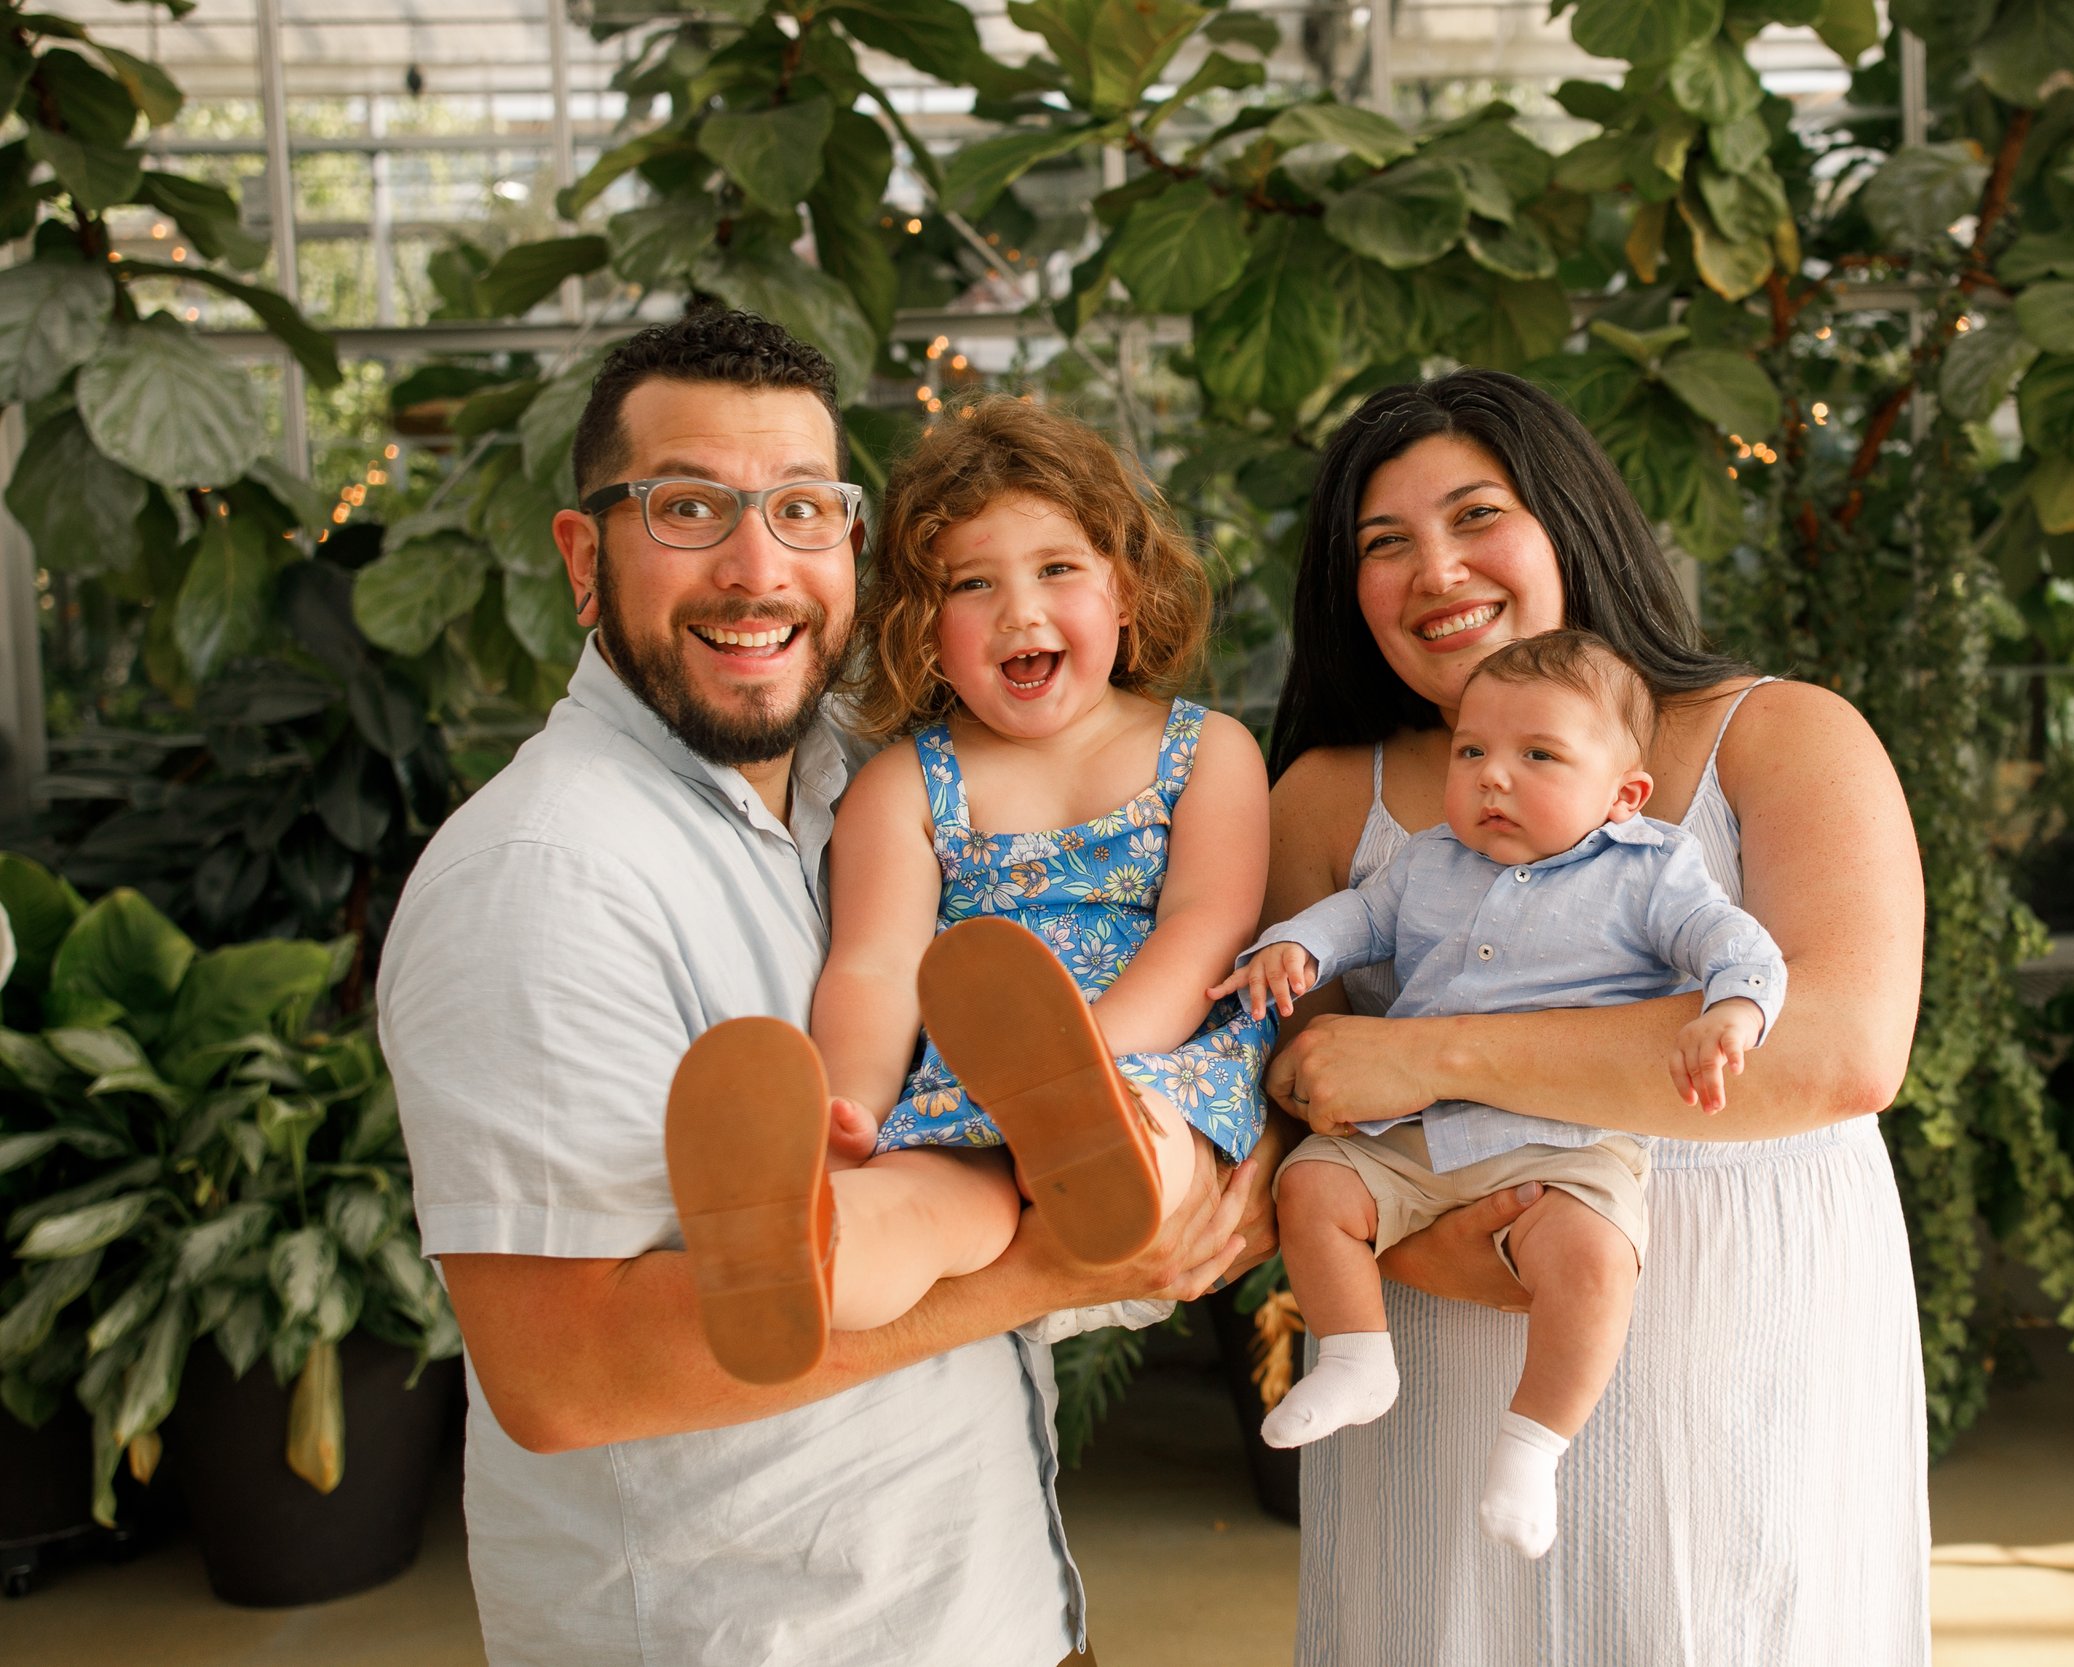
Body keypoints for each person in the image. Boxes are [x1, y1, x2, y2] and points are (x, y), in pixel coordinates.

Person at [377, 309, 1253, 1667]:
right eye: (686, 508)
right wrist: (1051, 1260)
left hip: (985, 1609)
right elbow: (561, 1375)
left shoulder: (866, 780)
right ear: (583, 556)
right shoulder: (543, 873)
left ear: (851, 548)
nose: (754, 566)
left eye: (799, 508)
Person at [1262, 370, 1931, 1664]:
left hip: (1747, 1344)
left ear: (1568, 521)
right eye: (1382, 543)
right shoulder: (1327, 797)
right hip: (1446, 1352)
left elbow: (1839, 1051)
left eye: (1475, 515)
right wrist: (1436, 1252)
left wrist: (1431, 1053)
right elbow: (1296, 1093)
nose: (1434, 568)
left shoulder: (1779, 735)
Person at [662, 395, 1273, 1385]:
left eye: (1057, 569)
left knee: (1157, 1150)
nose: (1019, 610)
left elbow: (1205, 927)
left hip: (1148, 1062)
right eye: (971, 585)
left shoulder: (1204, 751)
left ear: (1124, 589)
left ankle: (1100, 1156)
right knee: (920, 1204)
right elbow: (875, 963)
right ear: (924, 627)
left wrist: (1096, 1055)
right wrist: (850, 1112)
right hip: (972, 1085)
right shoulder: (908, 782)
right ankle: (799, 1253)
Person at [1217, 629, 1785, 1560]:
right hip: (1416, 1132)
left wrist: (1733, 1015)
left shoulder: (1649, 871)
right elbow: (1360, 916)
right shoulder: (1430, 860)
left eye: (1538, 756)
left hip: (1560, 1144)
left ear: (1623, 794)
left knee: (1597, 1257)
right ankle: (1358, 1356)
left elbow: (1738, 945)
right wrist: (1299, 947)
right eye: (1472, 751)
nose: (1492, 777)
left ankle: (1532, 1445)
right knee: (1314, 1184)